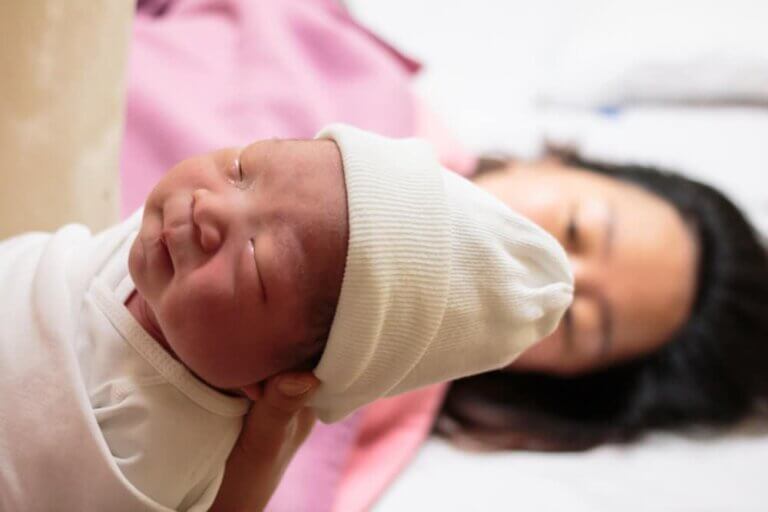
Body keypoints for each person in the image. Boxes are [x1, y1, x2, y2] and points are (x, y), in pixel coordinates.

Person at [0, 124, 574, 510]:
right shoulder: (165, 252)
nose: (210, 208)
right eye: (241, 169)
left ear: (277, 383)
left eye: (254, 261)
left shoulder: (153, 449)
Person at [436, 150, 768, 452]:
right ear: (552, 166)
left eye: (569, 320)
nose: (545, 275)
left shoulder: (394, 405)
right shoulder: (399, 110)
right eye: (573, 230)